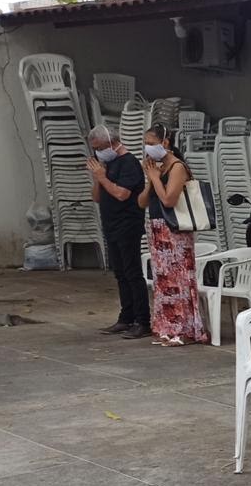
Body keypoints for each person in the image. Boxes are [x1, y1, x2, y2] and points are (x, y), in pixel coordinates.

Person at [136, 123, 208, 347]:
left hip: (175, 230)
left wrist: (156, 179)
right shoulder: (157, 169)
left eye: (151, 143)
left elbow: (169, 199)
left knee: (178, 280)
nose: (148, 148)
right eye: (146, 144)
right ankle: (166, 327)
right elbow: (142, 202)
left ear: (165, 143)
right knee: (164, 281)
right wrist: (151, 180)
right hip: (158, 228)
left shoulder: (177, 167)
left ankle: (183, 329)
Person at [87, 124, 148, 340]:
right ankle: (126, 316)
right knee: (120, 273)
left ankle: (142, 320)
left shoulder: (129, 164)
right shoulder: (107, 164)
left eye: (100, 148)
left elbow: (122, 194)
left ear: (112, 143)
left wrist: (103, 177)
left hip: (127, 224)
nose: (98, 153)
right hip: (110, 224)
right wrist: (97, 178)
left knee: (133, 273)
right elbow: (97, 197)